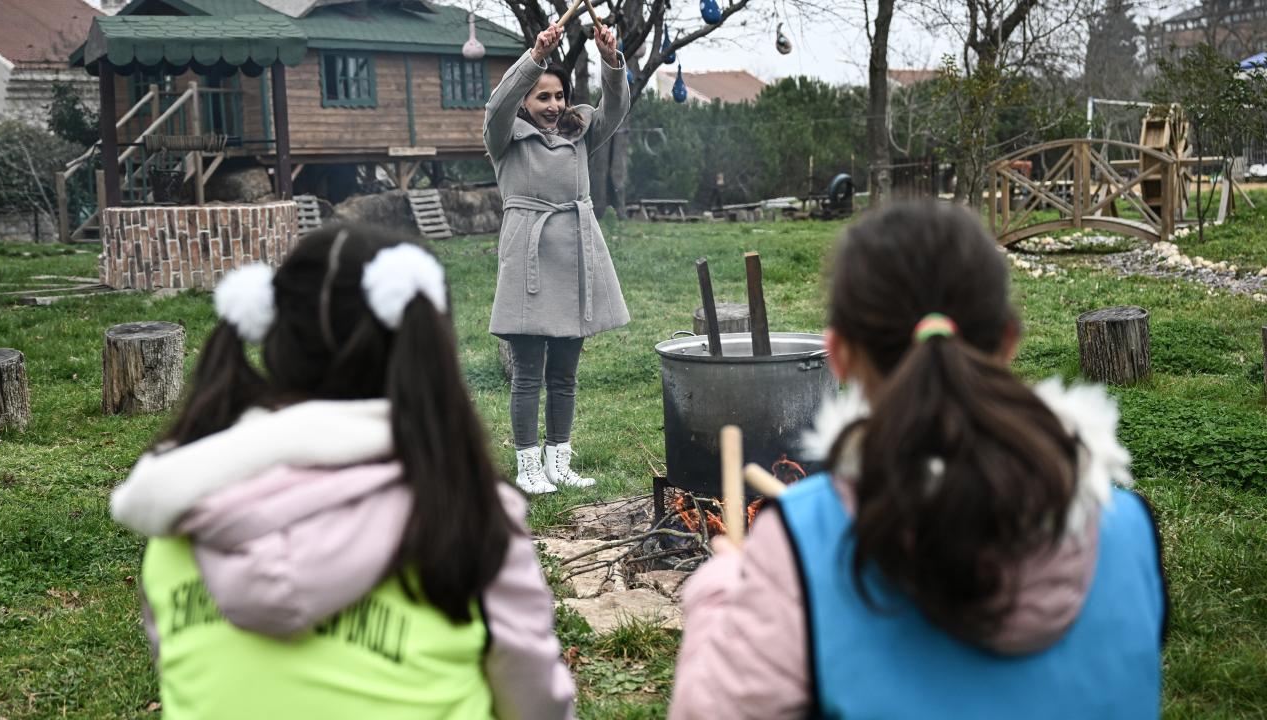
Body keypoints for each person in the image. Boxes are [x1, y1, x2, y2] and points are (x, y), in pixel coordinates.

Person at [669, 202, 1167, 719]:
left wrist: (722, 588)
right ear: (1007, 341)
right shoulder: (1128, 528)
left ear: (837, 355)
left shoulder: (801, 541)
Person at [110, 224, 575, 720]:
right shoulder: (468, 515)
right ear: (423, 342)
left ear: (272, 334)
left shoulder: (180, 514)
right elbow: (536, 704)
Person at [484, 21, 631, 494]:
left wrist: (611, 61)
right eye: (542, 97)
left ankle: (558, 461)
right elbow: (496, 107)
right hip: (529, 258)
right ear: (526, 100)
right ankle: (528, 466)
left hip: (576, 257)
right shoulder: (505, 140)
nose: (553, 106)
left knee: (565, 372)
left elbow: (616, 107)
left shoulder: (580, 133)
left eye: (559, 96)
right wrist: (534, 59)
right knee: (528, 372)